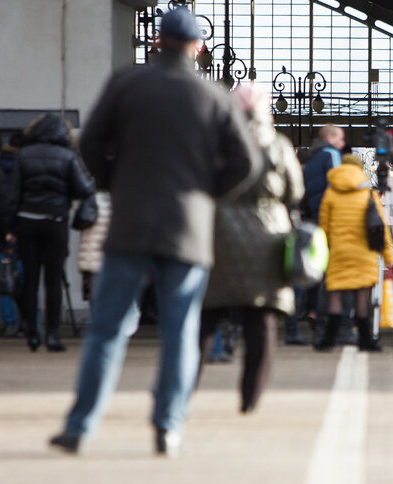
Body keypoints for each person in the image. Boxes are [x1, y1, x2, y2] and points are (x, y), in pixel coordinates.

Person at [49, 7, 261, 456]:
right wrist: (206, 195)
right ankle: (168, 427)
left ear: (157, 41)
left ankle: (80, 426)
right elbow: (246, 162)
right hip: (188, 231)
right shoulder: (214, 95)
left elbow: (87, 142)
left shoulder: (127, 83)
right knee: (181, 331)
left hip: (130, 224)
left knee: (106, 328)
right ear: (199, 47)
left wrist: (112, 181)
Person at [198, 85, 304, 413]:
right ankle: (250, 399)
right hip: (268, 238)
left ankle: (182, 393)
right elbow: (295, 193)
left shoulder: (213, 141)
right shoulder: (278, 145)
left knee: (206, 316)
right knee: (261, 321)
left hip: (216, 235)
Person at [8, 114, 94, 352]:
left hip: (26, 220)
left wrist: (10, 227)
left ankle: (32, 333)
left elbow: (12, 194)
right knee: (53, 280)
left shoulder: (23, 155)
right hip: (55, 220)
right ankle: (53, 336)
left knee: (30, 280)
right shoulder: (67, 156)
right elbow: (84, 188)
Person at [315, 153, 393, 351]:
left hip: (338, 251)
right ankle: (366, 340)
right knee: (361, 294)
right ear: (359, 169)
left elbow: (323, 226)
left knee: (335, 293)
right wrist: (388, 256)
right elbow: (380, 226)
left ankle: (329, 339)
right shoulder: (369, 193)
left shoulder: (331, 192)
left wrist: (321, 253)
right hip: (363, 251)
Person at [296, 125, 344, 341]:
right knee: (333, 270)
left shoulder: (310, 158)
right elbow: (338, 184)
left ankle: (312, 309)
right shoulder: (331, 154)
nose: (342, 144)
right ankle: (328, 318)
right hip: (330, 219)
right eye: (340, 139)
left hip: (311, 219)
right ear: (331, 138)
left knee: (314, 266)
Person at [0, 134, 22, 337]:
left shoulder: (0, 167)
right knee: (19, 277)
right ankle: (30, 322)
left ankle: (10, 322)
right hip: (16, 231)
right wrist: (10, 231)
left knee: (2, 278)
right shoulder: (22, 168)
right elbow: (4, 205)